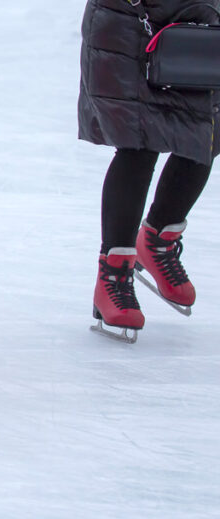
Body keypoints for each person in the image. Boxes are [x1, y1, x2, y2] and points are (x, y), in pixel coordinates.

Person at [79, 0, 219, 343]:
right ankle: (114, 274)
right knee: (137, 142)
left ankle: (158, 239)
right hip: (129, 19)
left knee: (206, 135)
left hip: (198, 15)